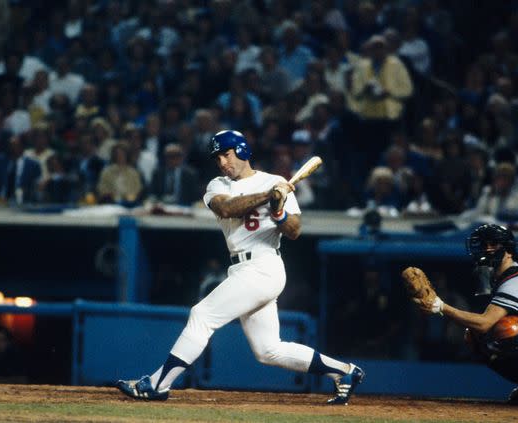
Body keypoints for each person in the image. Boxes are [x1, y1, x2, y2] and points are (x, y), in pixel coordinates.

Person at [116, 130, 364, 404]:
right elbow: (228, 209)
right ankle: (345, 372)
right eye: (217, 157)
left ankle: (158, 384)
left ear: (242, 151)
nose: (222, 162)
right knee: (268, 350)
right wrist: (268, 197)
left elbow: (294, 231)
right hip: (242, 268)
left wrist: (279, 211)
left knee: (202, 314)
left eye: (226, 154)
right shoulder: (217, 185)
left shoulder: (276, 182)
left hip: (264, 265)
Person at [416, 224, 518, 405]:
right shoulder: (498, 277)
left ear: (508, 251)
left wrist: (441, 306)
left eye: (493, 244)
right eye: (484, 244)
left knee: (505, 328)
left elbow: (485, 322)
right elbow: (481, 327)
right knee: (475, 336)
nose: (487, 249)